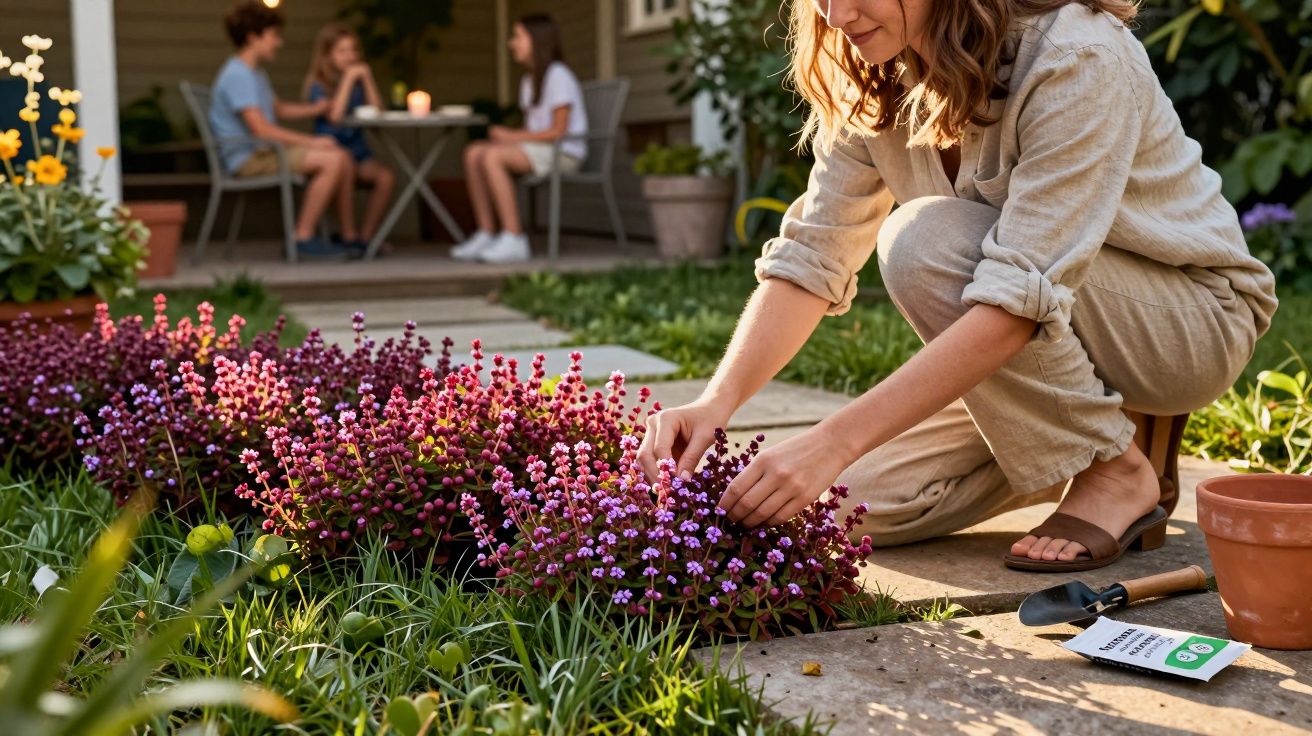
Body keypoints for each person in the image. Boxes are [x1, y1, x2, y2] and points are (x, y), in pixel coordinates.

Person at [636, 0, 1278, 572]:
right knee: (840, 507)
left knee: (923, 242)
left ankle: (1113, 470)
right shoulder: (875, 72)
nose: (837, 14)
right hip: (1042, 323)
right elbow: (813, 256)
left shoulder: (1077, 53)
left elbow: (1014, 301)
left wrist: (829, 440)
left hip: (1187, 320)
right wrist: (714, 406)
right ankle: (1102, 430)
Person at [208, 0, 353, 260]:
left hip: (262, 154)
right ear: (253, 37)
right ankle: (302, 237)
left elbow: (279, 110)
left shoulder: (254, 74)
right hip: (248, 160)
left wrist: (317, 109)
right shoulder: (238, 75)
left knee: (340, 155)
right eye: (274, 35)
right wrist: (312, 142)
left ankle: (347, 236)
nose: (279, 42)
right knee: (332, 160)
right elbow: (262, 130)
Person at [452, 13, 588, 264]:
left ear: (537, 41)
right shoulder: (529, 80)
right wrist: (509, 137)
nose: (511, 43)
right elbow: (533, 127)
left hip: (564, 152)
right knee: (474, 152)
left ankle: (514, 237)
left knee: (493, 156)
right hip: (542, 150)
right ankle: (486, 232)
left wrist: (512, 136)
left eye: (517, 37)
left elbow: (559, 130)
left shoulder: (558, 75)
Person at [303, 23, 396, 254]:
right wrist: (347, 80)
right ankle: (348, 235)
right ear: (327, 56)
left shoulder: (357, 84)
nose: (350, 57)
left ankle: (365, 239)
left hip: (359, 152)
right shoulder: (319, 86)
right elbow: (334, 117)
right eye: (342, 51)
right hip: (332, 151)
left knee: (385, 178)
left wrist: (367, 79)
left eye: (353, 50)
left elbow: (377, 113)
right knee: (343, 163)